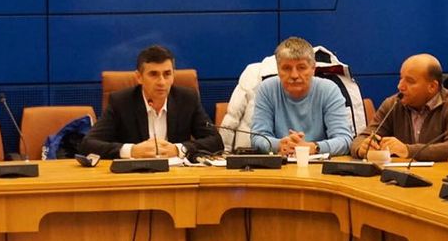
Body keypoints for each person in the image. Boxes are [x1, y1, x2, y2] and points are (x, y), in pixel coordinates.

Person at [79, 45, 222, 160]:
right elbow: (88, 144)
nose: (161, 82)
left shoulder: (187, 99)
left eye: (167, 74)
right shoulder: (121, 102)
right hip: (135, 177)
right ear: (139, 77)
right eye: (153, 74)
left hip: (177, 176)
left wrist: (179, 149)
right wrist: (131, 151)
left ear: (174, 75)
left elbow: (216, 141)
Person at [351, 54, 448, 161]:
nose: (400, 86)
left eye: (410, 81)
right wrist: (362, 148)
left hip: (439, 175)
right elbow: (363, 137)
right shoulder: (393, 104)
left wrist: (408, 150)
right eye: (401, 78)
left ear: (432, 87)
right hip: (399, 175)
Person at [251, 37, 353, 156]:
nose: (294, 75)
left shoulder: (329, 90)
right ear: (278, 69)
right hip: (280, 162)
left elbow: (344, 140)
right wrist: (279, 145)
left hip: (318, 163)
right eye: (287, 68)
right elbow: (257, 138)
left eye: (301, 68)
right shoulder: (267, 89)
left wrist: (314, 147)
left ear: (313, 68)